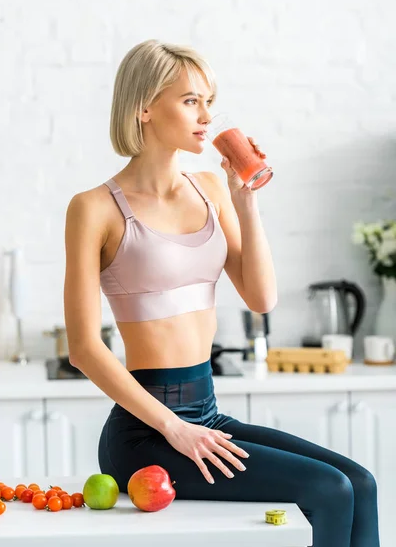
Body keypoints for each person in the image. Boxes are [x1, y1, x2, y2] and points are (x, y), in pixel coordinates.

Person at [64, 39, 380, 547]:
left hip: (206, 413)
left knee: (359, 484)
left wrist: (243, 201)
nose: (206, 115)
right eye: (191, 100)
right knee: (331, 490)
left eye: (209, 101)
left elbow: (261, 298)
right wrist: (174, 429)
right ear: (144, 106)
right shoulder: (94, 208)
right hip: (147, 433)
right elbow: (83, 348)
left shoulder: (210, 187)